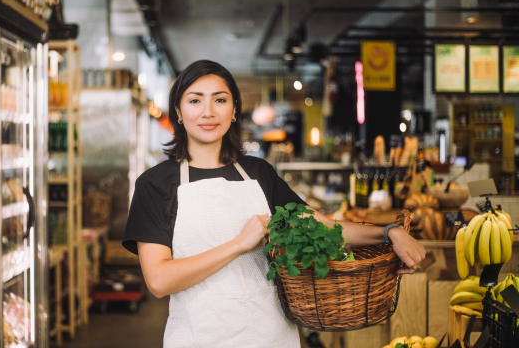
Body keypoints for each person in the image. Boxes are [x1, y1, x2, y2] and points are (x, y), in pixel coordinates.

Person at [123, 60, 425, 347]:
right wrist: (239, 244)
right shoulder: (155, 184)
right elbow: (159, 280)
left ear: (233, 110)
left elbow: (323, 225)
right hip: (199, 339)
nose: (208, 112)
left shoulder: (258, 173)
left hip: (270, 337)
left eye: (220, 100)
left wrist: (388, 233)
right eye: (194, 100)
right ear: (178, 111)